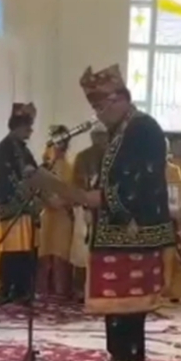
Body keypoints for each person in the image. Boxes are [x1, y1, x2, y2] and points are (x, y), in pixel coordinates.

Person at [77, 64, 174, 361]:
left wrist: (104, 200)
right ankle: (117, 359)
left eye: (101, 108)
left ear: (119, 99)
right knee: (114, 301)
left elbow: (139, 182)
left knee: (130, 304)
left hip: (136, 230)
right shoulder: (122, 129)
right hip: (116, 228)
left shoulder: (143, 128)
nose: (98, 115)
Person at [0, 102, 40, 305]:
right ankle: (7, 289)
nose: (30, 131)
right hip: (12, 205)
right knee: (12, 250)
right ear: (18, 127)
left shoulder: (22, 149)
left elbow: (35, 171)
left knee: (26, 249)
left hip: (26, 206)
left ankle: (22, 290)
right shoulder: (5, 148)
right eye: (28, 127)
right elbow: (8, 177)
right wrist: (24, 190)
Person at [70, 123, 109, 301]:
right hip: (84, 208)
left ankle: (101, 288)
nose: (100, 139)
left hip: (106, 211)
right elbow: (76, 184)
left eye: (103, 135)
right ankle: (80, 289)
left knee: (103, 251)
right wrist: (86, 202)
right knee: (81, 249)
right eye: (97, 135)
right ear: (92, 137)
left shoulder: (113, 157)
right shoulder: (82, 157)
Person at [37, 126, 74, 299]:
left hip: (63, 215)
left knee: (60, 255)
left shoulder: (70, 168)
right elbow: (37, 188)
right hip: (46, 214)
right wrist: (46, 199)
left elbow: (76, 192)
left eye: (62, 141)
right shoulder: (45, 167)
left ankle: (60, 293)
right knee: (44, 255)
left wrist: (63, 202)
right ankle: (42, 292)